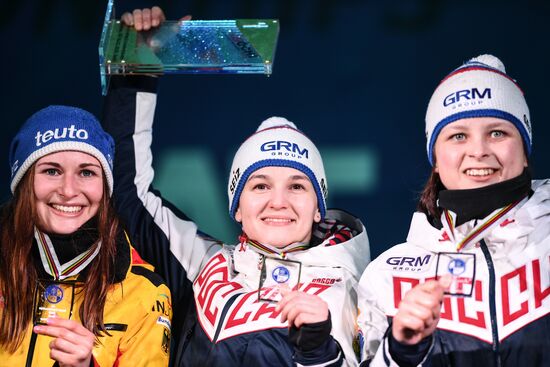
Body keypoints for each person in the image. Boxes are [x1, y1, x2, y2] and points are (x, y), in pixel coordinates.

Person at [101, 8, 371, 367]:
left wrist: (321, 352)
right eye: (259, 186)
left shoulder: (357, 285)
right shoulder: (202, 262)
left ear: (319, 207)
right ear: (236, 207)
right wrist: (136, 69)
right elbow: (127, 194)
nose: (279, 201)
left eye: (297, 186)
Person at [357, 54, 550, 366]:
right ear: (435, 159)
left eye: (497, 132)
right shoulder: (388, 274)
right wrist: (400, 351)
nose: (478, 151)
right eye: (458, 136)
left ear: (525, 150)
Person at [0, 105, 172, 366]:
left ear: (104, 187)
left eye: (86, 172)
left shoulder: (144, 291)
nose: (68, 190)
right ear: (24, 181)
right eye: (52, 171)